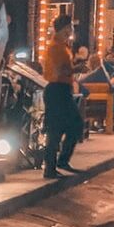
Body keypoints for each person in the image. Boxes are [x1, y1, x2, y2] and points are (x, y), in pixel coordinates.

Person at [40, 15, 82, 178]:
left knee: (73, 124)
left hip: (63, 89)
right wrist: (76, 69)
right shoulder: (56, 47)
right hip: (57, 89)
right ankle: (51, 167)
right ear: (64, 27)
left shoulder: (63, 46)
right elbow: (59, 70)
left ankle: (60, 161)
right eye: (70, 26)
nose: (71, 30)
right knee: (56, 129)